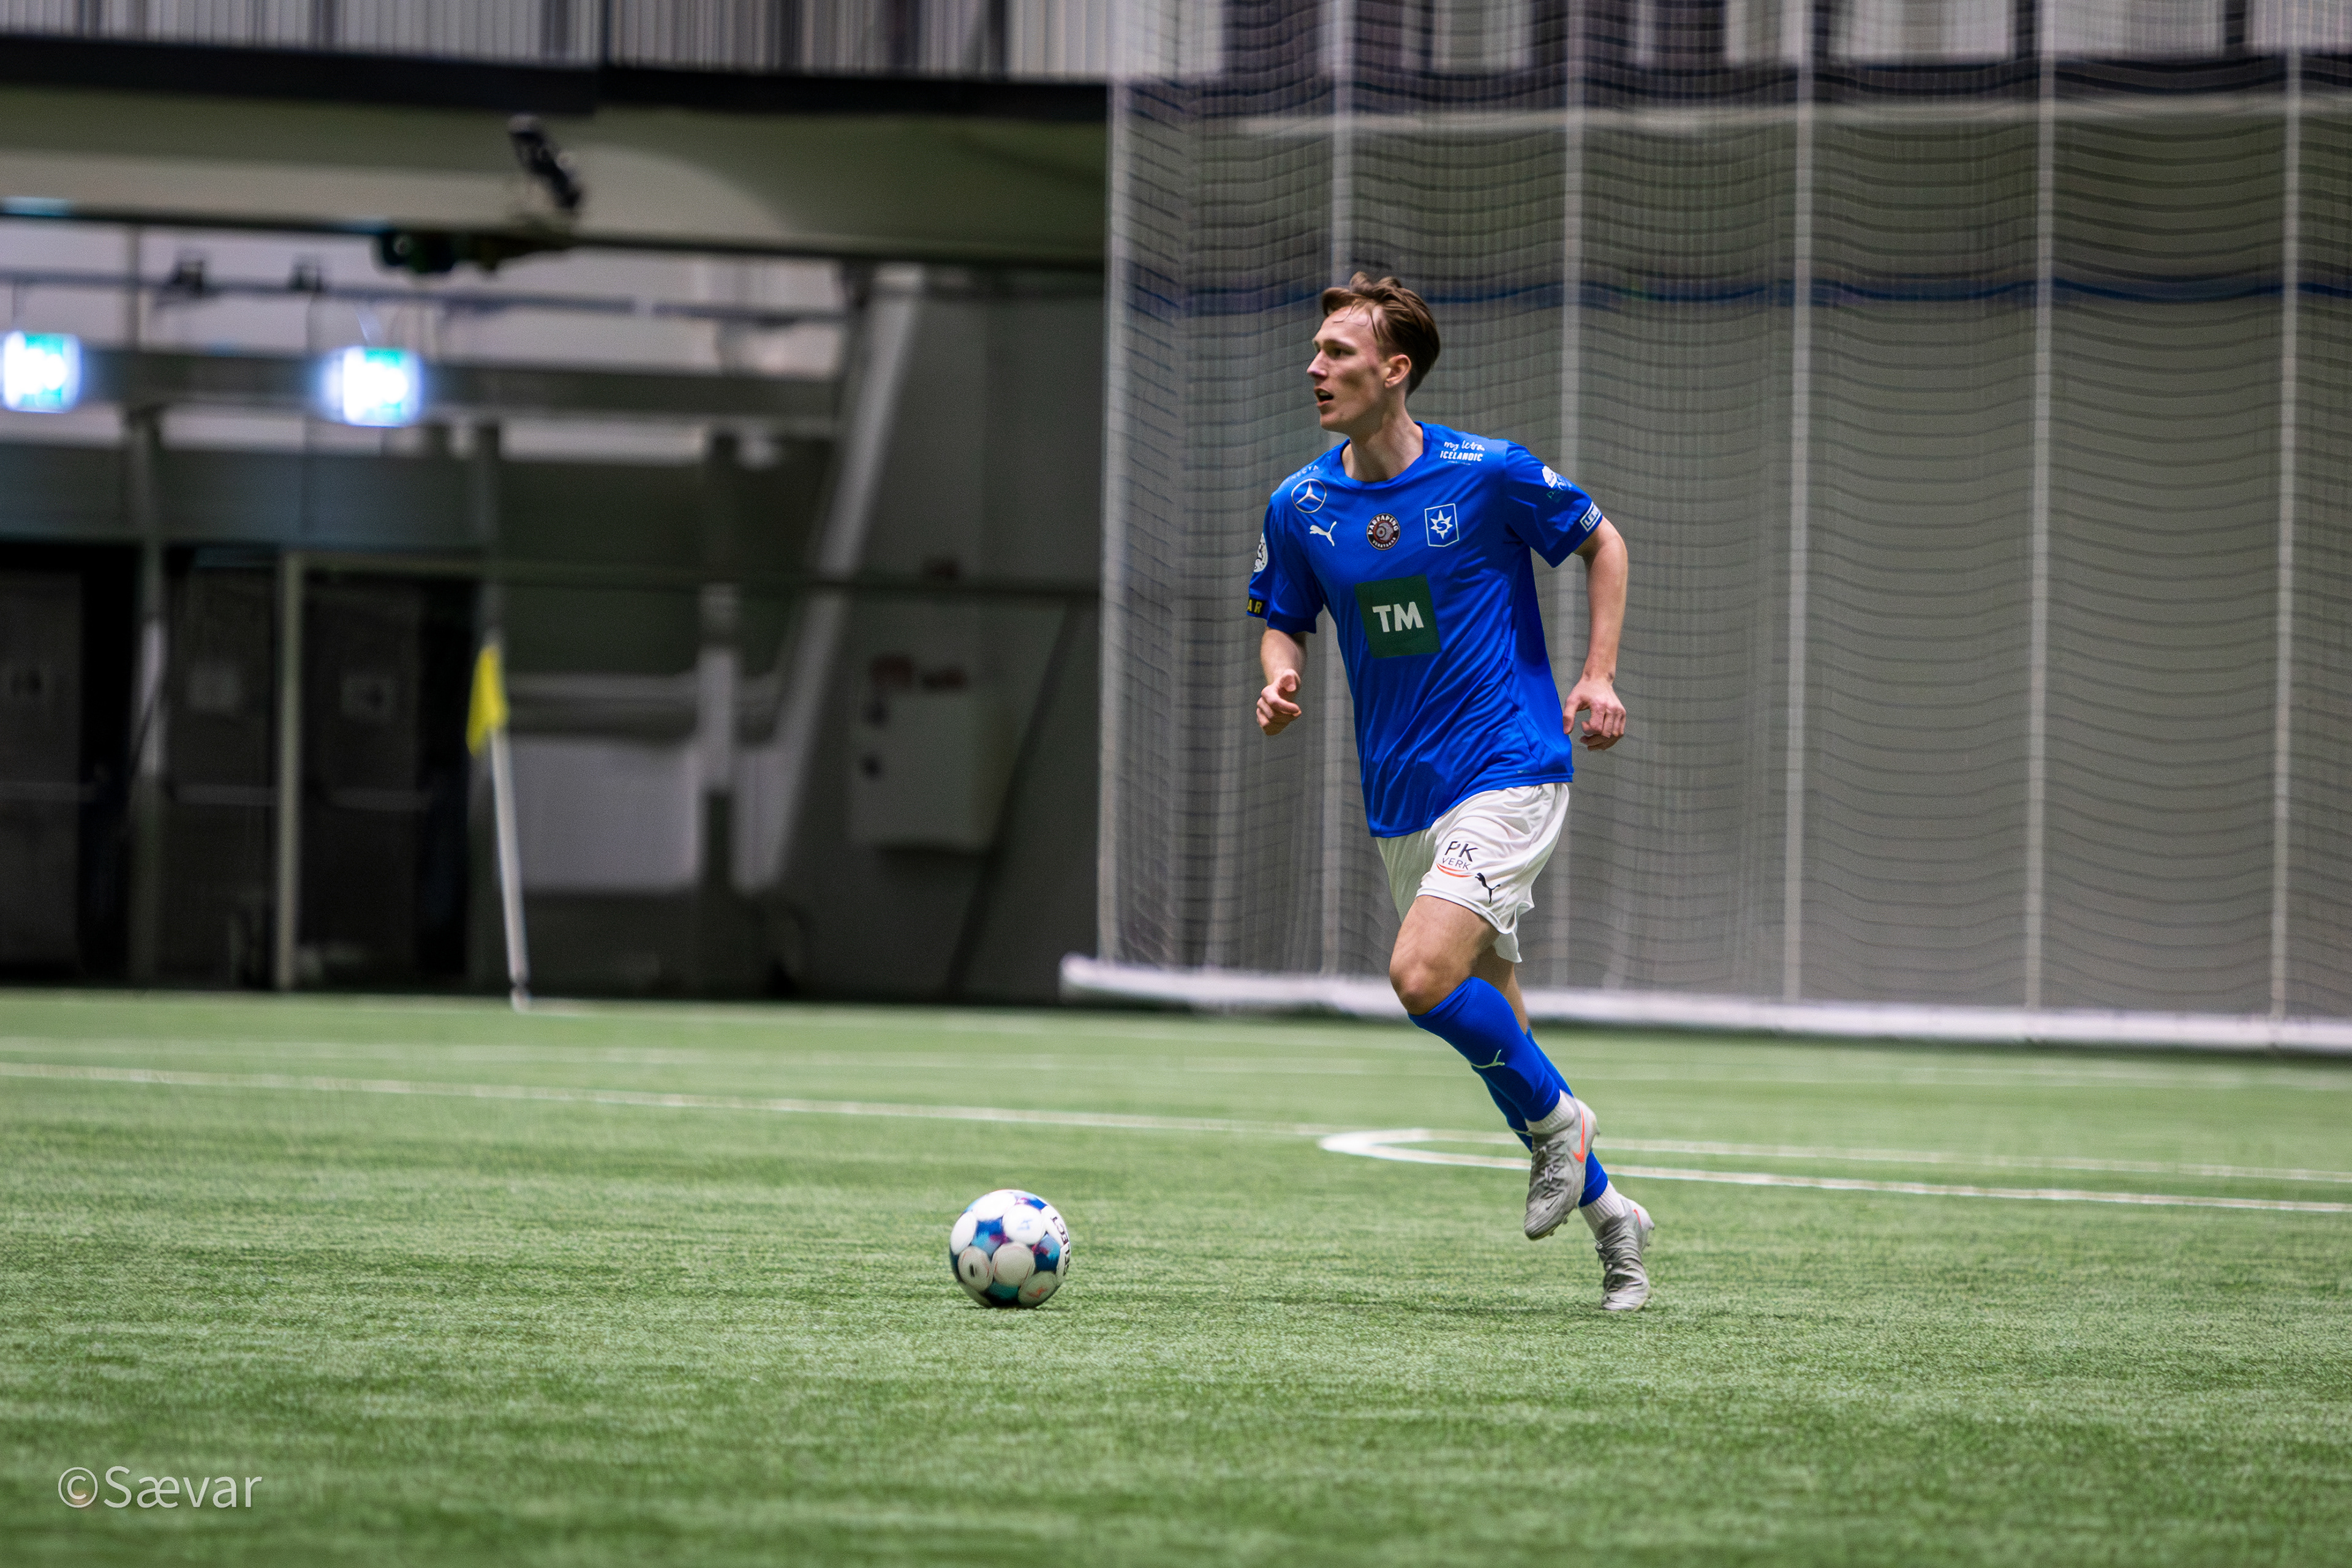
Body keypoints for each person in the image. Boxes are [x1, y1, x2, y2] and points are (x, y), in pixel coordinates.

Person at [1247, 273, 1651, 1311]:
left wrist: (1599, 676)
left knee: (1421, 975)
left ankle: (1565, 1127)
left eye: (1338, 352)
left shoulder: (1490, 472)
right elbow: (1283, 615)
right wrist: (1279, 675)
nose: (1315, 367)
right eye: (1317, 350)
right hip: (1404, 797)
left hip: (1510, 765)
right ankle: (1615, 1220)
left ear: (1396, 371)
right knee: (1498, 1035)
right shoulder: (1300, 506)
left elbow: (1603, 541)